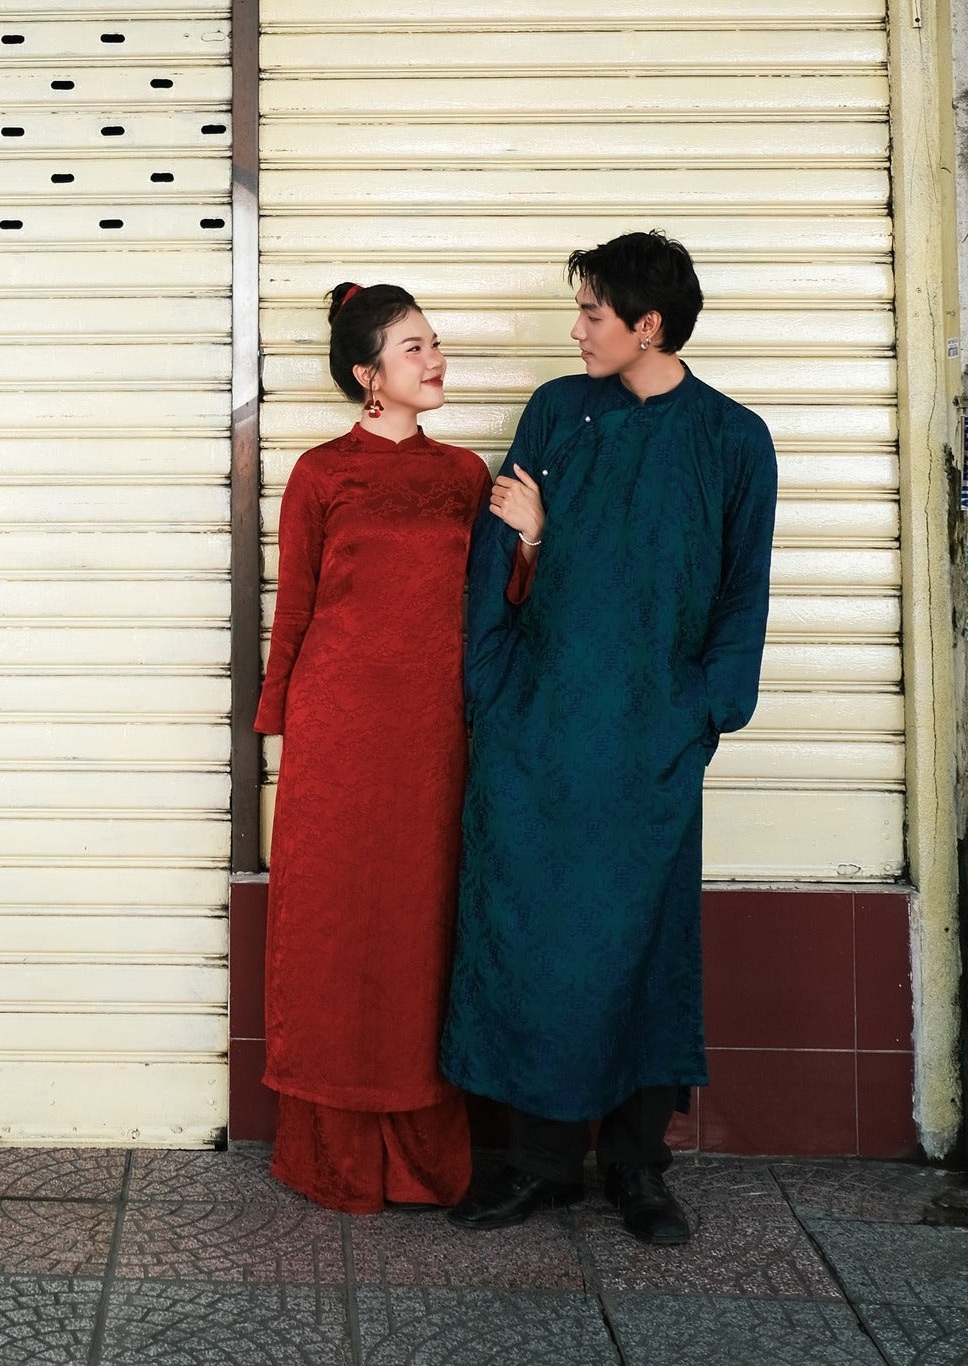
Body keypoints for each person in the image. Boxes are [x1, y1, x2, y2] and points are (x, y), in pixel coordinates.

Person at [441, 231, 778, 1245]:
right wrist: (491, 690)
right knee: (532, 939)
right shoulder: (556, 412)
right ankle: (536, 1164)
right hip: (538, 729)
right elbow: (494, 550)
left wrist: (701, 712)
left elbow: (739, 594)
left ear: (650, 325)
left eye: (593, 312)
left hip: (651, 741)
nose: (577, 327)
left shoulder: (731, 439)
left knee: (645, 945)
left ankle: (637, 1168)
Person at [254, 282, 540, 1213]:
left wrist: (530, 542)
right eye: (414, 348)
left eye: (436, 342)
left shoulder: (464, 475)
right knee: (333, 933)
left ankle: (422, 1157)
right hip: (337, 737)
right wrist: (278, 730)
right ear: (367, 375)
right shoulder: (320, 473)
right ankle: (329, 1152)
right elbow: (294, 608)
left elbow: (500, 605)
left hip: (431, 739)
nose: (436, 359)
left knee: (422, 931)